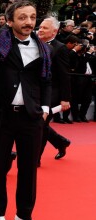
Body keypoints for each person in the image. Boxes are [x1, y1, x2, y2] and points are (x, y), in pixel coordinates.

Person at [0, 0, 51, 220]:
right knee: (0, 167)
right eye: (23, 17)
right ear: (11, 20)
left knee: (28, 169)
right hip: (4, 116)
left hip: (31, 117)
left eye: (32, 17)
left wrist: (45, 108)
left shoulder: (42, 48)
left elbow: (46, 80)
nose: (28, 22)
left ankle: (24, 215)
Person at [36, 17, 72, 163]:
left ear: (54, 31)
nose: (40, 30)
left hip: (52, 93)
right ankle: (61, 142)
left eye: (45, 28)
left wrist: (65, 98)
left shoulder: (60, 48)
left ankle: (35, 158)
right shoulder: (34, 43)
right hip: (35, 91)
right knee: (39, 123)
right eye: (40, 27)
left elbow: (64, 75)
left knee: (41, 125)